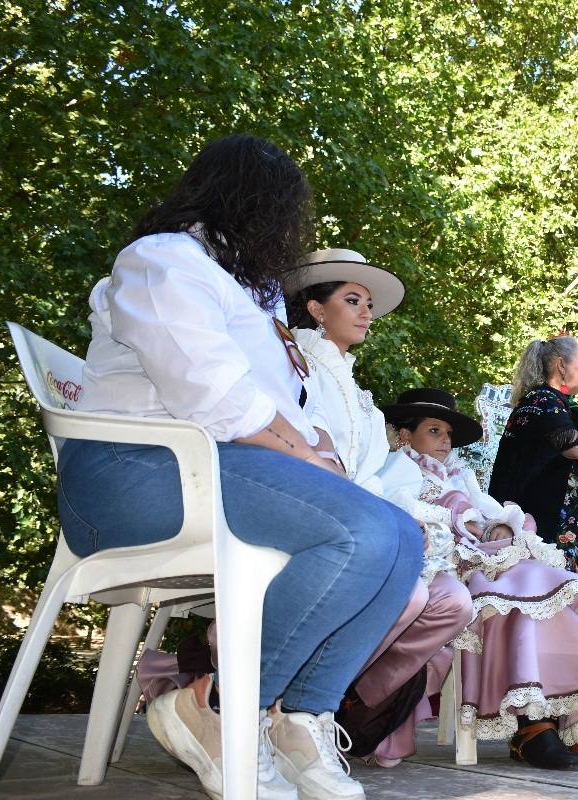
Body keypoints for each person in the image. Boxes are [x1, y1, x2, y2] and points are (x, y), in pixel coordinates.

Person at [62, 135, 421, 800]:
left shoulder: (240, 289)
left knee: (404, 540)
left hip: (209, 470)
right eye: (287, 214)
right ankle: (220, 709)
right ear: (254, 204)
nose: (289, 233)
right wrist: (310, 460)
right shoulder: (160, 261)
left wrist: (317, 452)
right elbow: (217, 398)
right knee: (362, 531)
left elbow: (278, 405)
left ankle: (299, 717)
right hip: (131, 477)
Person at [383, 390, 578, 769]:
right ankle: (533, 725)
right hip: (445, 567)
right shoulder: (396, 471)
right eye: (434, 430)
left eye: (448, 432)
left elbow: (490, 511)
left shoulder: (460, 476)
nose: (445, 440)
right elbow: (409, 517)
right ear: (403, 435)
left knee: (566, 589)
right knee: (519, 595)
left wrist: (499, 526)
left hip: (486, 561)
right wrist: (464, 524)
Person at [283, 250, 475, 767]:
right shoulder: (297, 367)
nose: (366, 312)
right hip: (317, 513)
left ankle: (348, 700)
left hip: (365, 513)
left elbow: (377, 474)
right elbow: (308, 451)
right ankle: (302, 702)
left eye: (368, 303)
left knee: (453, 603)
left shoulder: (358, 391)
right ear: (317, 309)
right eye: (352, 300)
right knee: (412, 597)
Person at [487, 335, 578, 579]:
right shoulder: (543, 401)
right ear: (561, 365)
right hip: (537, 530)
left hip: (552, 530)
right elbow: (573, 446)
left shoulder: (551, 403)